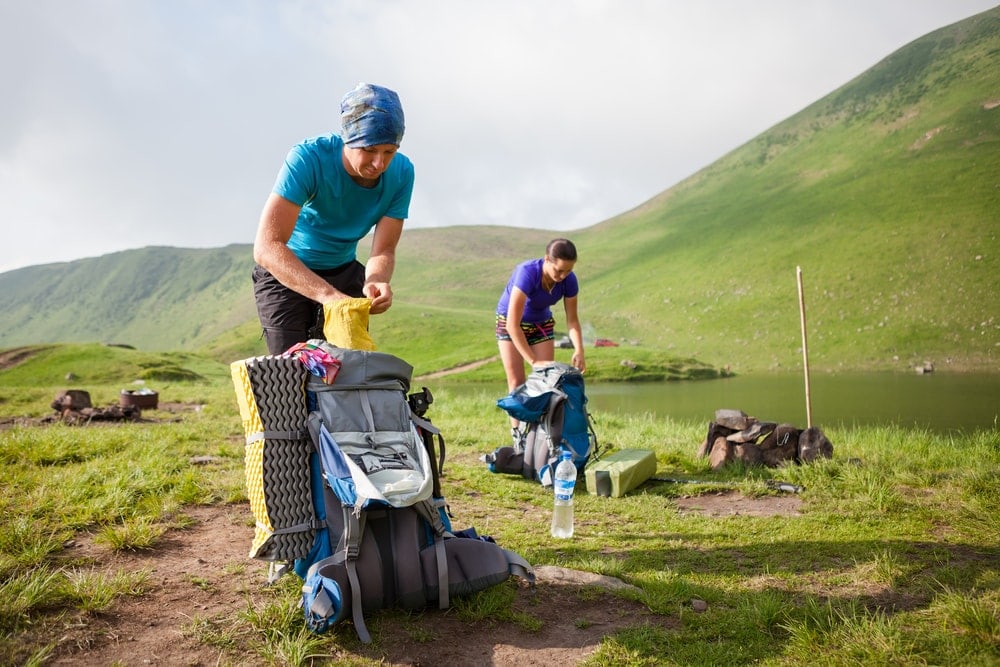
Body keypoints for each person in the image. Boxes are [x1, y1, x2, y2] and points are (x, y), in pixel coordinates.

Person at [252, 82, 414, 355]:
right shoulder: (308, 159)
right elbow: (267, 247)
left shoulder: (402, 173)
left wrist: (376, 279)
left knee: (348, 374)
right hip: (287, 273)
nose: (379, 164)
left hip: (344, 271)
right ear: (349, 139)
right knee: (290, 378)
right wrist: (329, 297)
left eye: (389, 152)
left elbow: (384, 249)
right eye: (370, 150)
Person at [495, 238, 585, 429]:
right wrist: (533, 361)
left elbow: (572, 320)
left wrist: (578, 349)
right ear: (547, 260)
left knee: (547, 382)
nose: (562, 276)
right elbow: (513, 324)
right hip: (509, 322)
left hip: (541, 324)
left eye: (568, 270)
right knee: (517, 382)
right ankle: (518, 436)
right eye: (559, 270)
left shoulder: (569, 280)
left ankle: (541, 438)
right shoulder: (527, 273)